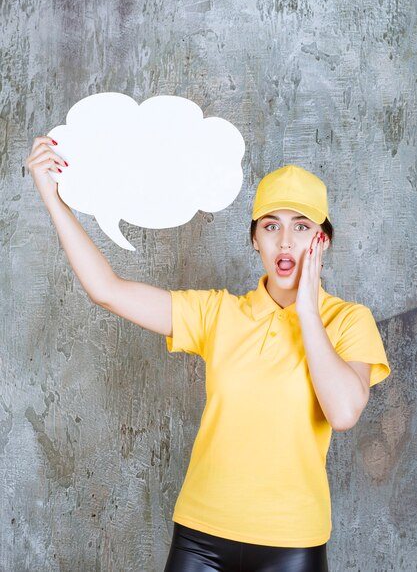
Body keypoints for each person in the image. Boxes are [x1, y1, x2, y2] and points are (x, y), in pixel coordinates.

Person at [26, 138, 391, 572]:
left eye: (302, 226)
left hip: (293, 544)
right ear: (255, 239)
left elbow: (344, 412)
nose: (286, 242)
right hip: (200, 537)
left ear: (323, 241)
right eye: (271, 226)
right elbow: (107, 290)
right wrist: (52, 198)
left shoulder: (350, 321)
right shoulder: (219, 313)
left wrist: (309, 312)